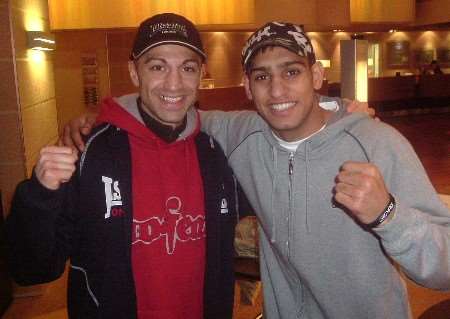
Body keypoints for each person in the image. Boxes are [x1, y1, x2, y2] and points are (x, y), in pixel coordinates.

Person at [62, 22, 450, 319]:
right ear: (248, 87)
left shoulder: (377, 144)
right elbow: (169, 105)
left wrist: (389, 216)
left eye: (292, 72)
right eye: (262, 76)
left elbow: (444, 269)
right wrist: (100, 121)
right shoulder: (241, 134)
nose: (277, 90)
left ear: (316, 77)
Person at [5, 13, 238, 319]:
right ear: (134, 72)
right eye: (157, 66)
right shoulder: (88, 151)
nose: (174, 83)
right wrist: (39, 195)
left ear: (200, 74)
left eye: (188, 68)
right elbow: (31, 270)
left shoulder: (217, 154)